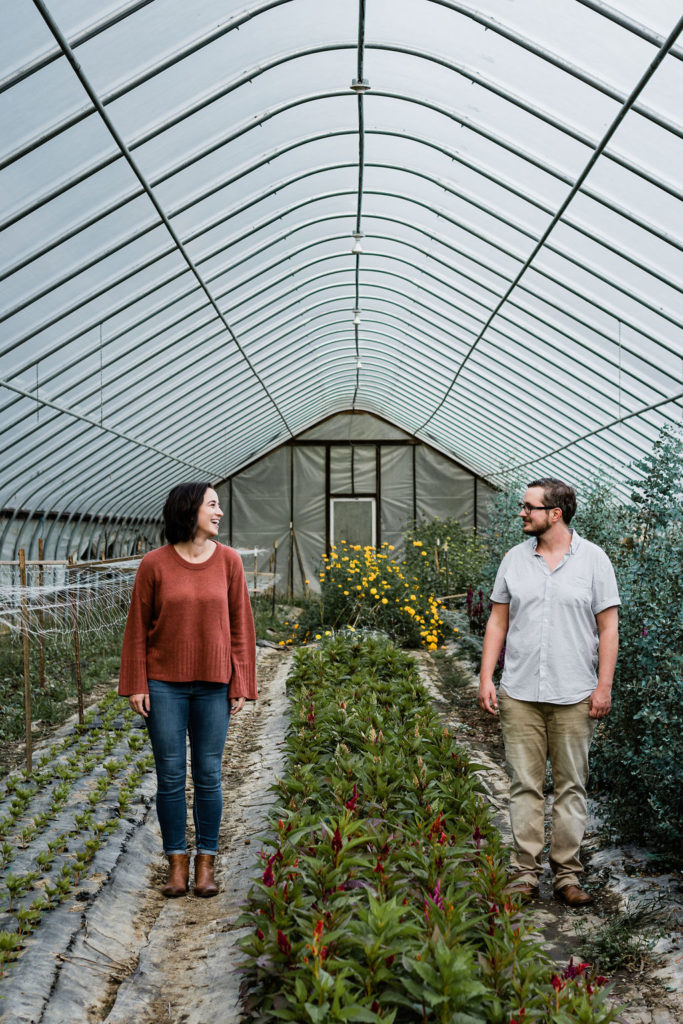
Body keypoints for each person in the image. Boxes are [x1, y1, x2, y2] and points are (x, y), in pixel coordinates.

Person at [478, 478, 619, 907]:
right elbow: (498, 621)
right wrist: (486, 677)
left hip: (574, 692)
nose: (521, 513)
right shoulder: (514, 560)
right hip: (520, 691)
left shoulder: (594, 561)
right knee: (525, 785)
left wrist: (603, 686)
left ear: (554, 514)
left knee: (572, 786)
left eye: (529, 507)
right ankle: (524, 873)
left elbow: (608, 627)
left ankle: (567, 877)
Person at [118, 481, 257, 898]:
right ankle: (176, 864)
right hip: (164, 687)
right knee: (171, 777)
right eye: (212, 505)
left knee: (210, 775)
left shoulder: (229, 562)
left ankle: (205, 865)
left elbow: (241, 627)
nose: (218, 512)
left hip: (214, 685)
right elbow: (137, 630)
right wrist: (137, 684)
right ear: (189, 510)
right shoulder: (154, 565)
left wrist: (241, 681)